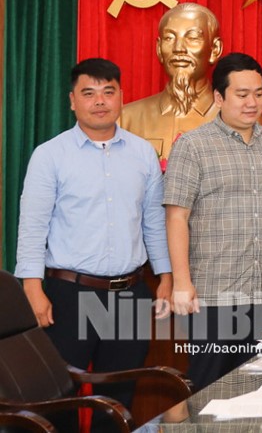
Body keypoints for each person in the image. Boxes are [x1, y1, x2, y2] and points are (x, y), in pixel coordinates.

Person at [14, 58, 171, 419]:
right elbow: (33, 226)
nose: (100, 101)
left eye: (108, 92)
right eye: (89, 93)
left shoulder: (142, 153)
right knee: (60, 398)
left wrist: (166, 276)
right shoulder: (50, 155)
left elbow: (152, 221)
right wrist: (32, 289)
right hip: (69, 295)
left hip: (130, 294)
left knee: (119, 400)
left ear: (121, 98)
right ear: (73, 101)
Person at [164, 52, 262, 390]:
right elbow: (176, 216)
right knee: (210, 392)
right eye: (242, 94)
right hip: (213, 296)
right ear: (219, 97)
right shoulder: (193, 146)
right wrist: (181, 282)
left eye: (258, 93)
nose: (252, 102)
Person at [119, 2, 224, 164]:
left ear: (215, 49)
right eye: (169, 38)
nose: (179, 48)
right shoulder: (126, 119)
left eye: (192, 38)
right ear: (159, 49)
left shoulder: (237, 118)